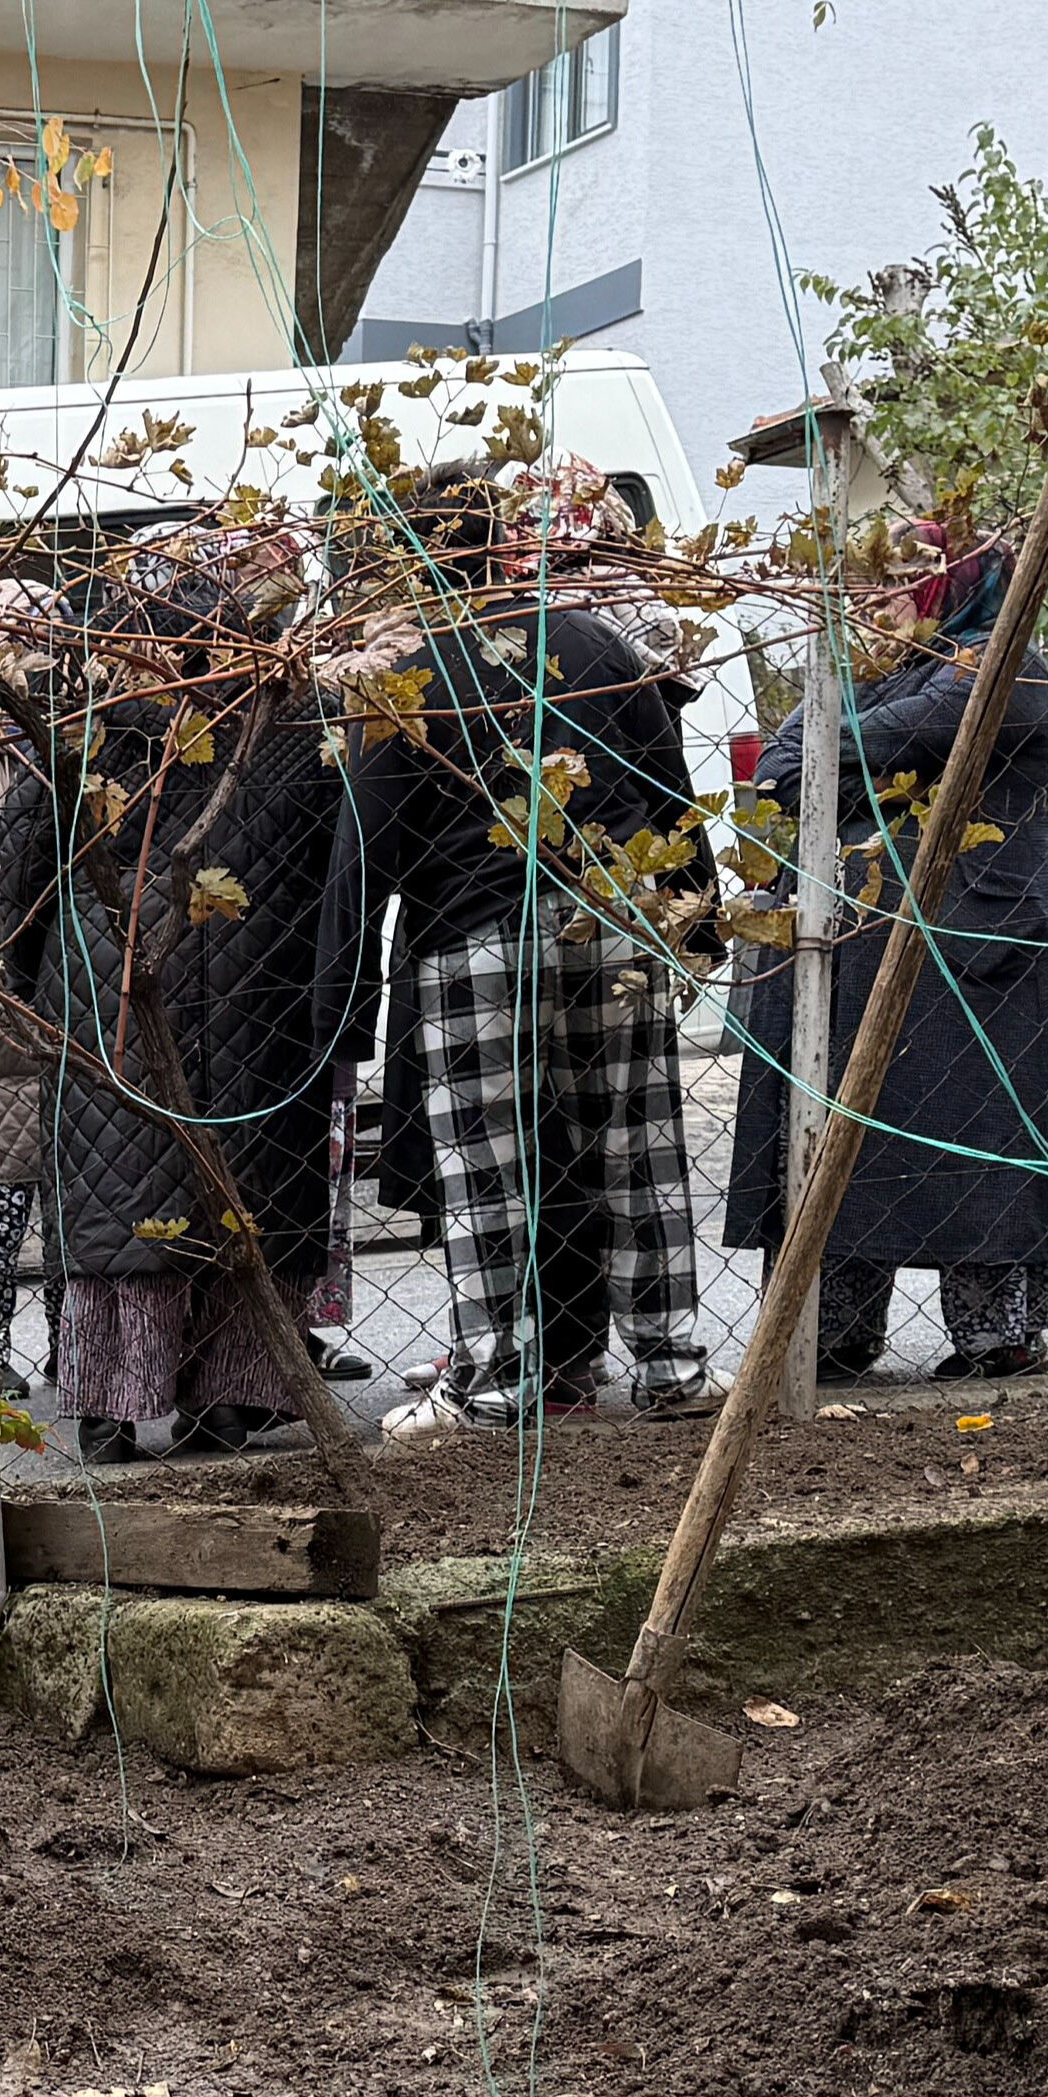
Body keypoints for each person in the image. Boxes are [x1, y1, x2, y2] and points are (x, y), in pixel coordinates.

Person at [0, 535, 371, 1461]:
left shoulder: (88, 717)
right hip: (260, 972)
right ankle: (229, 1397)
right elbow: (338, 864)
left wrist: (37, 964)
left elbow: (23, 868)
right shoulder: (289, 717)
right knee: (250, 1181)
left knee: (112, 1192)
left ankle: (109, 1405)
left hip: (102, 978)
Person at [353, 467, 713, 1437]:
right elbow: (671, 804)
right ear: (502, 541)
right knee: (637, 1149)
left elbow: (369, 849)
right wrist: (696, 929)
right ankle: (671, 1360)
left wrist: (346, 1002)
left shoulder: (411, 675)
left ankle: (499, 1376)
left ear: (416, 558)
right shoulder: (599, 642)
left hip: (469, 942)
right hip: (612, 927)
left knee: (490, 1165)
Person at [723, 529, 1048, 1380]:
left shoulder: (996, 666)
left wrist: (839, 760)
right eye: (862, 592)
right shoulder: (874, 681)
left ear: (945, 588)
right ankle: (836, 1333)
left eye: (893, 588)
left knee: (971, 1129)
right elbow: (781, 773)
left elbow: (826, 756)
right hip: (866, 937)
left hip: (972, 942)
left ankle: (995, 1336)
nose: (869, 608)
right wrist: (847, 757)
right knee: (842, 1132)